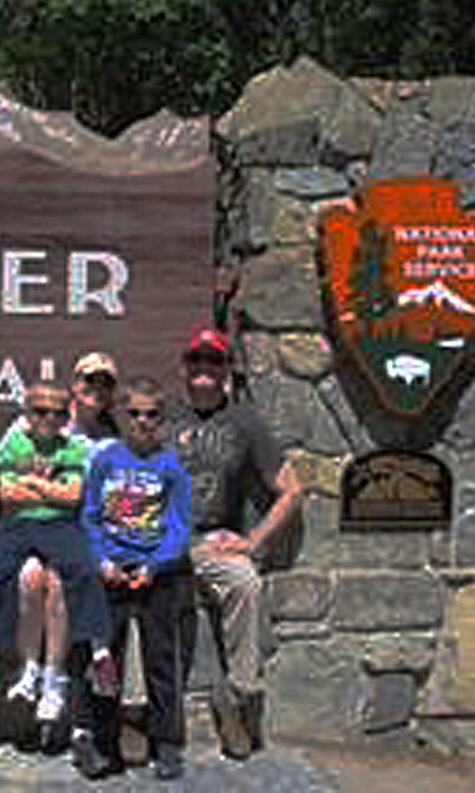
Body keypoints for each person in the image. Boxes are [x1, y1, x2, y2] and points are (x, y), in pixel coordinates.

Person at [166, 324, 302, 760]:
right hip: (161, 541)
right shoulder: (159, 416)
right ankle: (139, 710)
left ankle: (238, 701)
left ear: (227, 370)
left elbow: (291, 490)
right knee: (134, 590)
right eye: (197, 360)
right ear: (184, 368)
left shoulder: (245, 421)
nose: (205, 368)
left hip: (213, 542)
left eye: (215, 360)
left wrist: (254, 541)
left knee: (245, 582)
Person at [0, 382, 115, 731]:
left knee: (84, 573)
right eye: (39, 411)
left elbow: (72, 494)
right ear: (26, 414)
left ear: (66, 415)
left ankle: (100, 651)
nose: (48, 419)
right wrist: (45, 490)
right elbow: (4, 489)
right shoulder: (15, 439)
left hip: (59, 527)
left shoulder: (75, 446)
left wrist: (35, 486)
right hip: (16, 527)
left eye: (57, 413)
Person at [73, 376, 193, 780]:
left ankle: (166, 743)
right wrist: (101, 560)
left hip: (154, 573)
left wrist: (154, 566)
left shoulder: (171, 465)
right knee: (106, 660)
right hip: (110, 570)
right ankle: (103, 742)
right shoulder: (106, 460)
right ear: (123, 416)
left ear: (162, 419)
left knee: (161, 659)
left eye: (152, 415)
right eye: (135, 414)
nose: (143, 421)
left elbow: (178, 526)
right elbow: (89, 515)